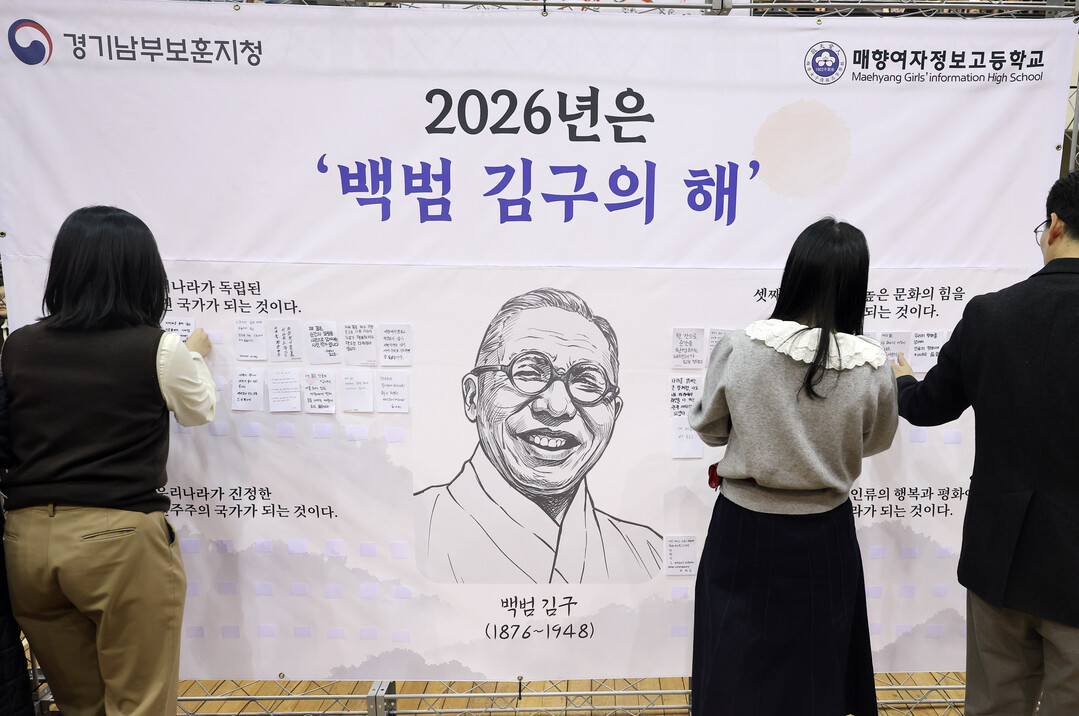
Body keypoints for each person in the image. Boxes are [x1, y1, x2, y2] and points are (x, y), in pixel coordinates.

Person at [0, 206, 216, 716]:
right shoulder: (158, 348)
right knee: (140, 705)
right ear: (143, 274)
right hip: (119, 542)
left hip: (27, 543)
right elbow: (199, 409)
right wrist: (194, 353)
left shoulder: (18, 346)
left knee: (82, 706)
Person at [688, 218, 897, 716]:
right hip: (825, 535)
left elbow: (710, 429)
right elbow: (876, 441)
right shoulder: (872, 365)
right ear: (857, 284)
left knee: (731, 664)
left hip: (742, 530)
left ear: (795, 273)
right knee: (818, 670)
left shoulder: (741, 347)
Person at [891, 171, 1079, 716]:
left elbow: (927, 406)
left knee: (995, 705)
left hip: (1002, 559)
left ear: (1054, 226)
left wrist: (903, 381)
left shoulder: (990, 313)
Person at [415, 287, 662, 584]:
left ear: (614, 413)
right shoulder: (411, 528)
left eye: (587, 382)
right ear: (473, 397)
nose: (557, 407)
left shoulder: (649, 556)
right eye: (529, 373)